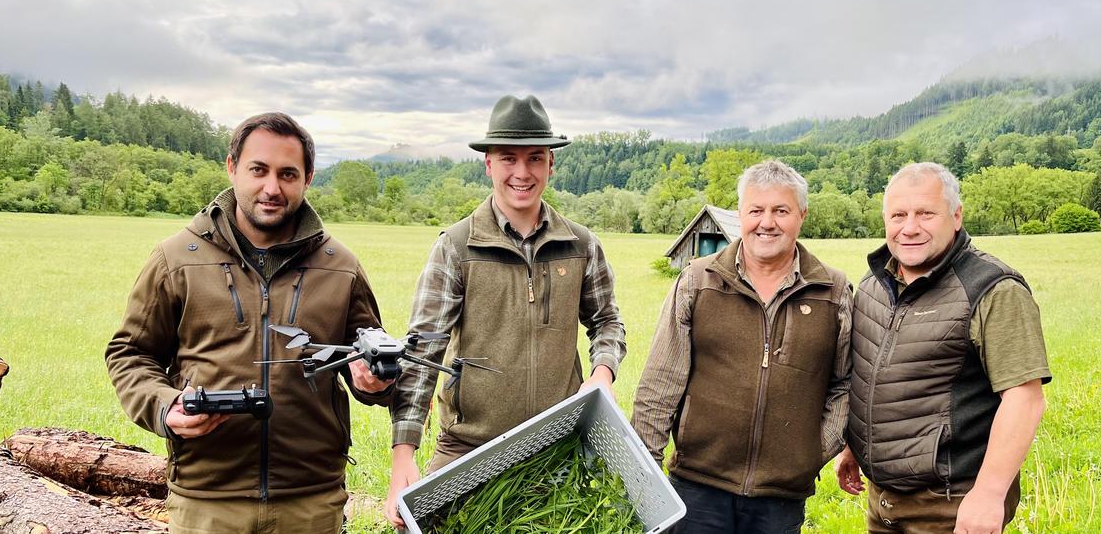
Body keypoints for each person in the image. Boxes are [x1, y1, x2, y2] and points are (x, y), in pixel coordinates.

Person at [105, 112, 393, 534]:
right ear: (232, 167)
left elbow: (369, 357)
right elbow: (130, 352)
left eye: (288, 174)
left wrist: (378, 382)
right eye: (258, 170)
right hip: (207, 501)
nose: (272, 188)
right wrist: (165, 407)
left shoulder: (341, 266)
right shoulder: (176, 258)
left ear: (307, 179)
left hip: (311, 502)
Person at [384, 94, 627, 527]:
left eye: (535, 158)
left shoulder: (582, 245)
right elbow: (423, 353)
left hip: (557, 447)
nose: (522, 172)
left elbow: (607, 321)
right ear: (488, 164)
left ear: (551, 164)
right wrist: (404, 453)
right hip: (468, 449)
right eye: (508, 158)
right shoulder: (457, 248)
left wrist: (601, 374)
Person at [631, 159, 852, 534]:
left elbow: (846, 385)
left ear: (802, 215)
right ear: (740, 214)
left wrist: (810, 454)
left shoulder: (834, 292)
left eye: (781, 210)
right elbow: (660, 384)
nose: (767, 222)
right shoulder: (698, 282)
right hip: (697, 488)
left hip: (780, 499)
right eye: (756, 210)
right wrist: (643, 477)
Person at [835, 162, 1050, 534]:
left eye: (925, 213)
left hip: (952, 503)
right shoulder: (874, 284)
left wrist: (988, 494)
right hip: (884, 500)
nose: (910, 227)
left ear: (956, 215)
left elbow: (1025, 400)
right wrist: (854, 446)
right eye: (898, 215)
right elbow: (870, 374)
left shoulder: (993, 289)